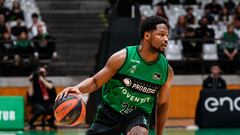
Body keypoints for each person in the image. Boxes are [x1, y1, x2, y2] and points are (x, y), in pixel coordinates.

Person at [56, 16, 174, 135]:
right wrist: (78, 88)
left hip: (137, 115)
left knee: (140, 132)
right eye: (161, 34)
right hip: (110, 112)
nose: (166, 39)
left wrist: (159, 133)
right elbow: (95, 82)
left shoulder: (166, 70)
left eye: (167, 35)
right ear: (147, 36)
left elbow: (163, 103)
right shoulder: (122, 58)